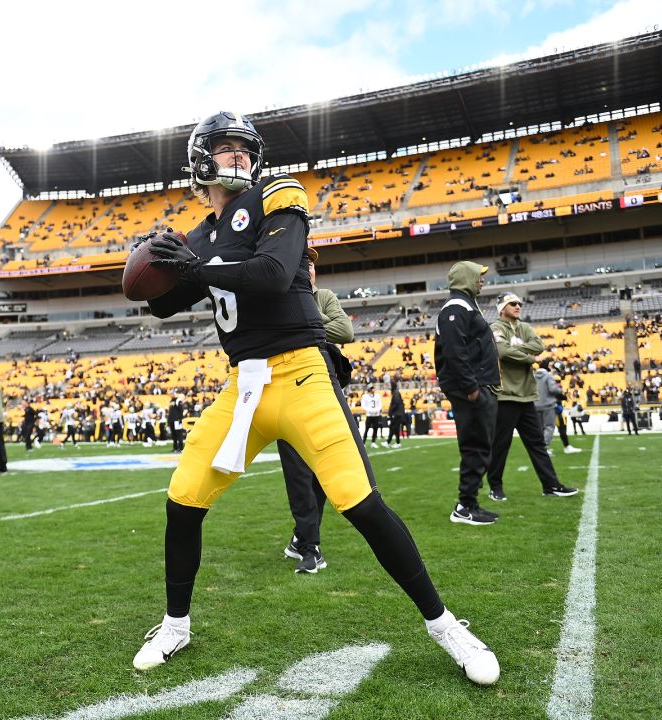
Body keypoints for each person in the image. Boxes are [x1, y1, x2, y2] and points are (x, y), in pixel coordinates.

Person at [131, 111, 499, 686]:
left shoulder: (278, 194)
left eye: (243, 149)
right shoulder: (198, 236)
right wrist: (152, 263)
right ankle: (175, 624)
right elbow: (160, 304)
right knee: (183, 497)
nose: (238, 157)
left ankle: (447, 625)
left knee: (360, 502)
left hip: (302, 374)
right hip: (243, 384)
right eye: (225, 148)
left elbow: (275, 274)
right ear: (201, 159)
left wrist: (198, 268)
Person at [279, 245, 354, 574]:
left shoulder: (323, 297)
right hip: (288, 392)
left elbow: (346, 332)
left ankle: (302, 538)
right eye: (301, 263)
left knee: (324, 474)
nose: (308, 268)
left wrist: (304, 309)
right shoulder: (276, 297)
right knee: (298, 475)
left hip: (324, 391)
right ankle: (310, 546)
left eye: (310, 264)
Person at [486, 293, 579, 501]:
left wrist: (518, 350)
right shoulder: (496, 328)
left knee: (537, 445)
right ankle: (496, 487)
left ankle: (551, 485)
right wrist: (527, 356)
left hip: (527, 397)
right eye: (513, 303)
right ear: (502, 308)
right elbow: (501, 351)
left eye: (519, 303)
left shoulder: (525, 327)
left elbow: (539, 346)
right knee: (501, 446)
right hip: (506, 396)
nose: (518, 306)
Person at [434, 261, 501, 525]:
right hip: (470, 389)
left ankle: (470, 502)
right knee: (475, 446)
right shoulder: (456, 308)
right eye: (478, 277)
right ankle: (464, 507)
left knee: (481, 446)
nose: (482, 281)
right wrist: (472, 388)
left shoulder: (465, 305)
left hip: (476, 385)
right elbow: (454, 351)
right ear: (465, 279)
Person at [534, 366, 581, 455]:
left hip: (539, 406)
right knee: (557, 428)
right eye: (557, 381)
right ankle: (563, 446)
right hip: (553, 407)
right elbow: (555, 392)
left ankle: (542, 448)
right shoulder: (549, 380)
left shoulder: (535, 378)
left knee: (543, 428)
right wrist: (563, 394)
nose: (558, 383)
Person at [387, 379, 406, 448]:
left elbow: (396, 403)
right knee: (394, 428)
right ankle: (389, 442)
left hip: (396, 413)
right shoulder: (396, 392)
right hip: (397, 413)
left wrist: (391, 411)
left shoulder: (396, 393)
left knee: (394, 428)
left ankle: (396, 443)